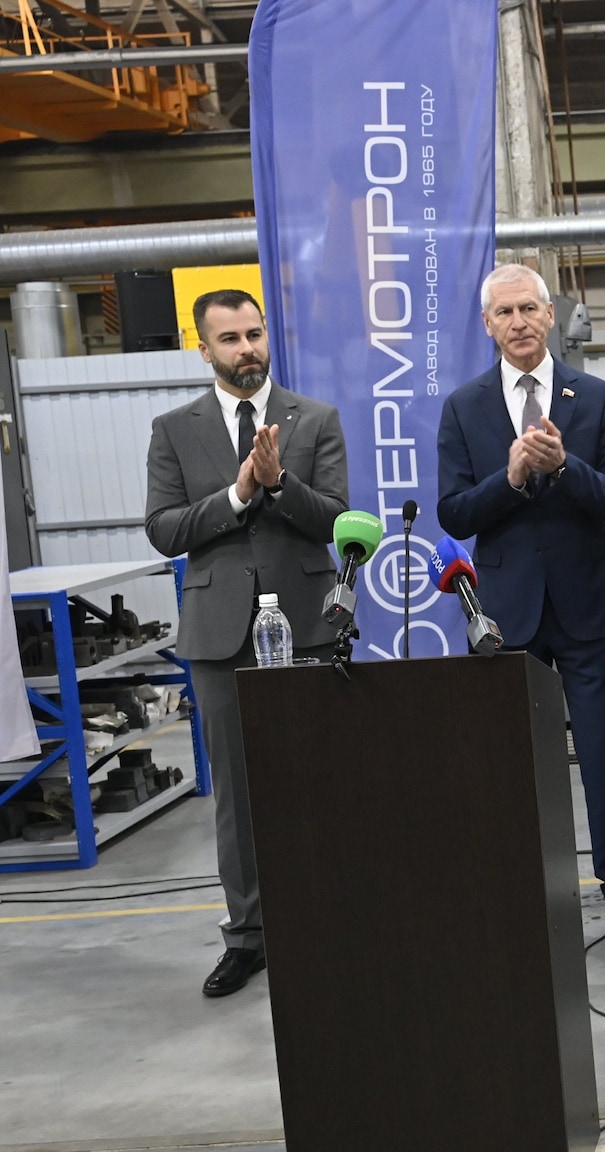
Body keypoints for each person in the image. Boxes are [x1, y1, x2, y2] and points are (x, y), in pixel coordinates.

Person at [436, 264, 605, 956]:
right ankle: (520, 896)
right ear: (487, 324)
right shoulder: (464, 408)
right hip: (508, 615)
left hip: (587, 607)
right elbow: (454, 513)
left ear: (550, 313)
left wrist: (563, 468)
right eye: (504, 313)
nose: (519, 322)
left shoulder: (596, 398)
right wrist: (511, 478)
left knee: (604, 760)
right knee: (512, 766)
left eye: (528, 308)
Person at [144, 289, 349, 998]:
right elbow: (164, 529)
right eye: (229, 339)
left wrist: (278, 482)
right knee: (236, 793)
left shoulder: (315, 419)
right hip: (219, 633)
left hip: (309, 623)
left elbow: (335, 520)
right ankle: (248, 937)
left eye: (254, 334)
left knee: (320, 780)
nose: (246, 349)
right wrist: (236, 495)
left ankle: (330, 923)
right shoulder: (174, 429)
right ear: (203, 348)